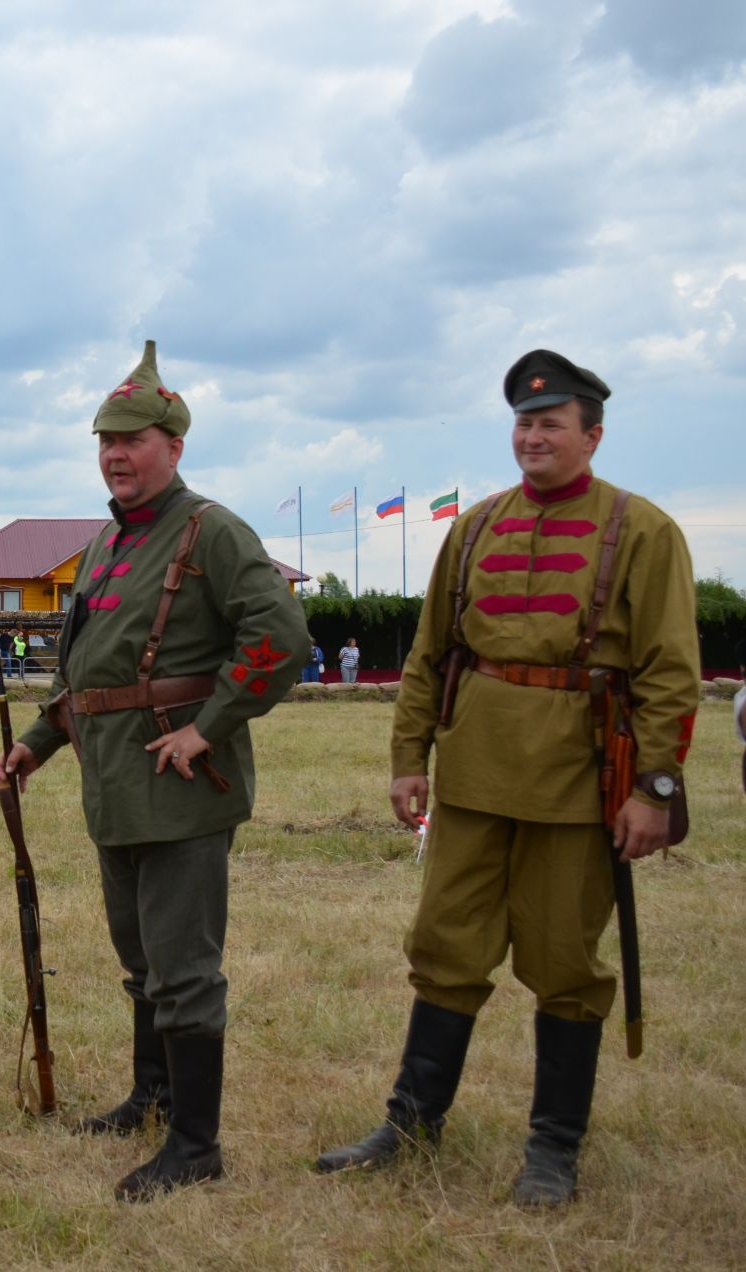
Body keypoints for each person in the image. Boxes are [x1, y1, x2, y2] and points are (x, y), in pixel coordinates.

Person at [315, 351, 700, 1206]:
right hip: (475, 777)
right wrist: (408, 759)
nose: (532, 436)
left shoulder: (645, 532)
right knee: (445, 949)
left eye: (550, 424)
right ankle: (410, 1126)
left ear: (591, 436)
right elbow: (429, 656)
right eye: (524, 423)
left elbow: (672, 671)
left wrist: (657, 789)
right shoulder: (478, 525)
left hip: (578, 785)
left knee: (565, 961)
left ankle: (552, 1152)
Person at [0, 340, 307, 1201]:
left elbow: (280, 640)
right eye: (106, 440)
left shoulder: (214, 532)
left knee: (184, 968)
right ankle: (155, 1095)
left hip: (179, 789)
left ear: (173, 446)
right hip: (114, 786)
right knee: (141, 958)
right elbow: (90, 677)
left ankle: (196, 1146)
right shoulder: (105, 545)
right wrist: (37, 742)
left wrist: (209, 728)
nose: (117, 454)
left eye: (133, 440)